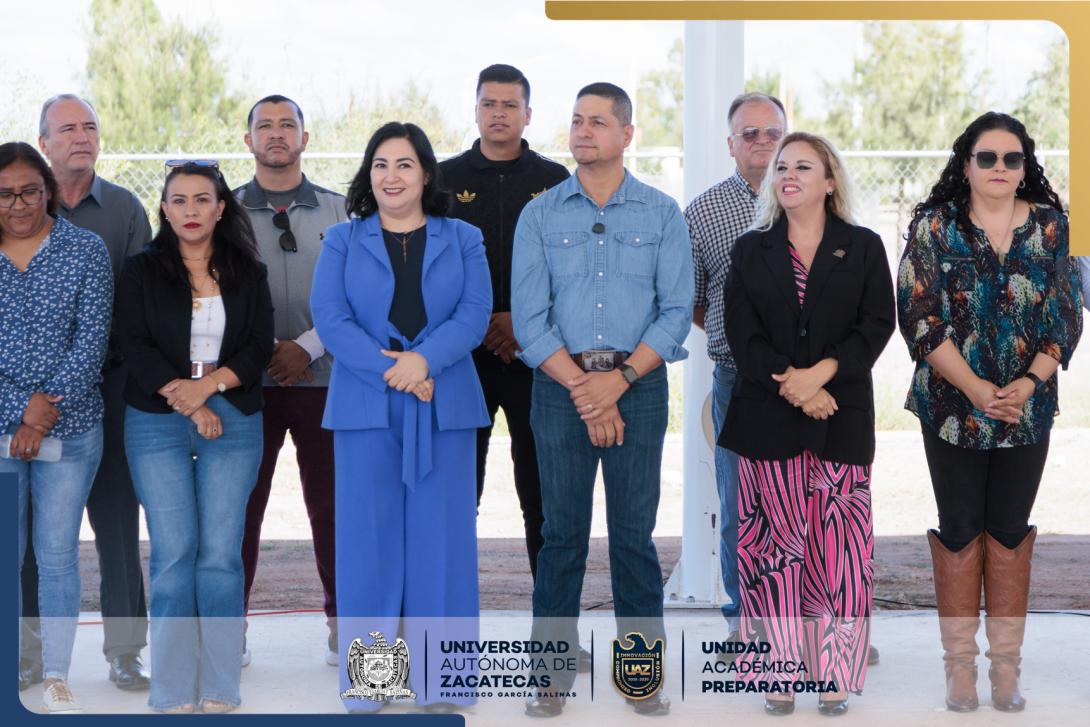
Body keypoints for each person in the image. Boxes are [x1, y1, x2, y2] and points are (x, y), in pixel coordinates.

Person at [512, 82, 693, 718]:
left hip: (637, 391)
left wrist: (618, 381)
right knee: (560, 536)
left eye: (597, 121)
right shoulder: (539, 215)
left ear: (626, 135)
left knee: (633, 539)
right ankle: (550, 677)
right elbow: (530, 322)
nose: (583, 131)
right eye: (576, 120)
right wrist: (587, 389)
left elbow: (675, 312)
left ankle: (641, 677)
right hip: (559, 392)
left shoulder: (662, 214)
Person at [897, 112, 1082, 713]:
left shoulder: (1053, 228)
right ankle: (959, 670)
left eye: (1012, 158)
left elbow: (1066, 318)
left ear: (1025, 167)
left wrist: (1027, 384)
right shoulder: (934, 227)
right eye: (987, 157)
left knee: (1008, 531)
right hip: (951, 407)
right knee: (958, 530)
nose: (999, 168)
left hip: (1027, 409)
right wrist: (976, 388)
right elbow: (918, 318)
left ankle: (1005, 670)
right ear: (966, 163)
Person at [311, 121, 491, 713]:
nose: (391, 176)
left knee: (443, 545)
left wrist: (423, 361)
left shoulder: (464, 237)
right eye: (381, 165)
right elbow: (330, 318)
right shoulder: (342, 239)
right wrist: (394, 371)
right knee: (368, 544)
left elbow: (474, 313)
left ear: (426, 174)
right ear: (369, 175)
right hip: (366, 405)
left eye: (404, 164)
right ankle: (374, 683)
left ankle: (445, 683)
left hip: (444, 403)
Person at [722, 132, 895, 716]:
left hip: (840, 420)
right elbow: (742, 334)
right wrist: (795, 386)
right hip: (767, 423)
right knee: (771, 554)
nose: (788, 175)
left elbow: (877, 325)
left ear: (829, 180)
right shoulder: (750, 250)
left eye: (802, 166)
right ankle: (777, 673)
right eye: (781, 167)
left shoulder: (863, 246)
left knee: (838, 552)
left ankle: (834, 674)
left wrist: (821, 375)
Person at [116, 161, 274, 713]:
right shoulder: (141, 270)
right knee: (173, 554)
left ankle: (220, 686)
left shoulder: (248, 271)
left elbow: (258, 347)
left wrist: (207, 391)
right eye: (179, 200)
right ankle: (172, 688)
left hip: (233, 417)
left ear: (221, 208)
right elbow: (133, 344)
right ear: (164, 208)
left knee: (220, 557)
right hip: (155, 420)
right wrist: (187, 399)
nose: (190, 211)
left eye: (202, 200)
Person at [19, 94, 153, 694]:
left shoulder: (125, 210)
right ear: (43, 142)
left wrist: (83, 374)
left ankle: (124, 653)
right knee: (33, 533)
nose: (82, 137)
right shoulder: (20, 209)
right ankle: (31, 653)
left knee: (118, 523)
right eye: (68, 128)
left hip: (113, 389)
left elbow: (140, 302)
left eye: (90, 127)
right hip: (28, 400)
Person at [439, 64, 569, 591]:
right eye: (489, 104)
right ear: (475, 111)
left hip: (537, 357)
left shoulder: (555, 181)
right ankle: (447, 617)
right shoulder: (442, 179)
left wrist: (523, 321)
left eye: (510, 105)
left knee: (541, 496)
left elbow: (571, 270)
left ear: (527, 114)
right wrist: (477, 322)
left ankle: (551, 622)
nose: (499, 113)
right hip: (460, 359)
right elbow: (431, 266)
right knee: (455, 494)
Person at [0, 142, 113, 713]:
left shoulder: (85, 250)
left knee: (57, 554)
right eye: (4, 194)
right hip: (2, 424)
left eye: (29, 191)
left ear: (48, 191)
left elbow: (92, 341)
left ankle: (56, 675)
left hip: (70, 429)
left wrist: (44, 411)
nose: (18, 205)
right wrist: (21, 407)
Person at [235, 94, 346, 667]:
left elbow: (358, 294)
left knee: (333, 510)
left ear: (305, 137)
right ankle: (230, 630)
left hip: (325, 382)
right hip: (244, 387)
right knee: (239, 510)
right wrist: (262, 352)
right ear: (248, 139)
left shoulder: (341, 210)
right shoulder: (223, 209)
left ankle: (343, 626)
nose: (276, 134)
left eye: (287, 125)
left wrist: (308, 347)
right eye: (265, 126)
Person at [685, 91, 786, 650]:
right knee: (741, 504)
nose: (762, 142)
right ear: (730, 145)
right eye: (750, 134)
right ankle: (745, 622)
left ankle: (819, 621)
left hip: (816, 380)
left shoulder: (816, 197)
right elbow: (694, 300)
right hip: (738, 380)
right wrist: (741, 342)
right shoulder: (703, 212)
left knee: (816, 500)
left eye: (773, 132)